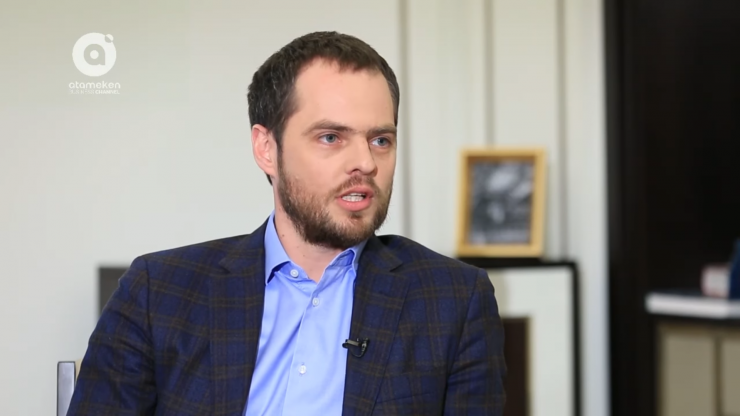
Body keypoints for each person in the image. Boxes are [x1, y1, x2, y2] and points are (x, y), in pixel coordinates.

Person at [67, 31, 506, 416]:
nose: (365, 162)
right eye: (331, 137)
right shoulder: (157, 292)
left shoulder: (453, 300)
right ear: (267, 149)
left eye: (380, 140)